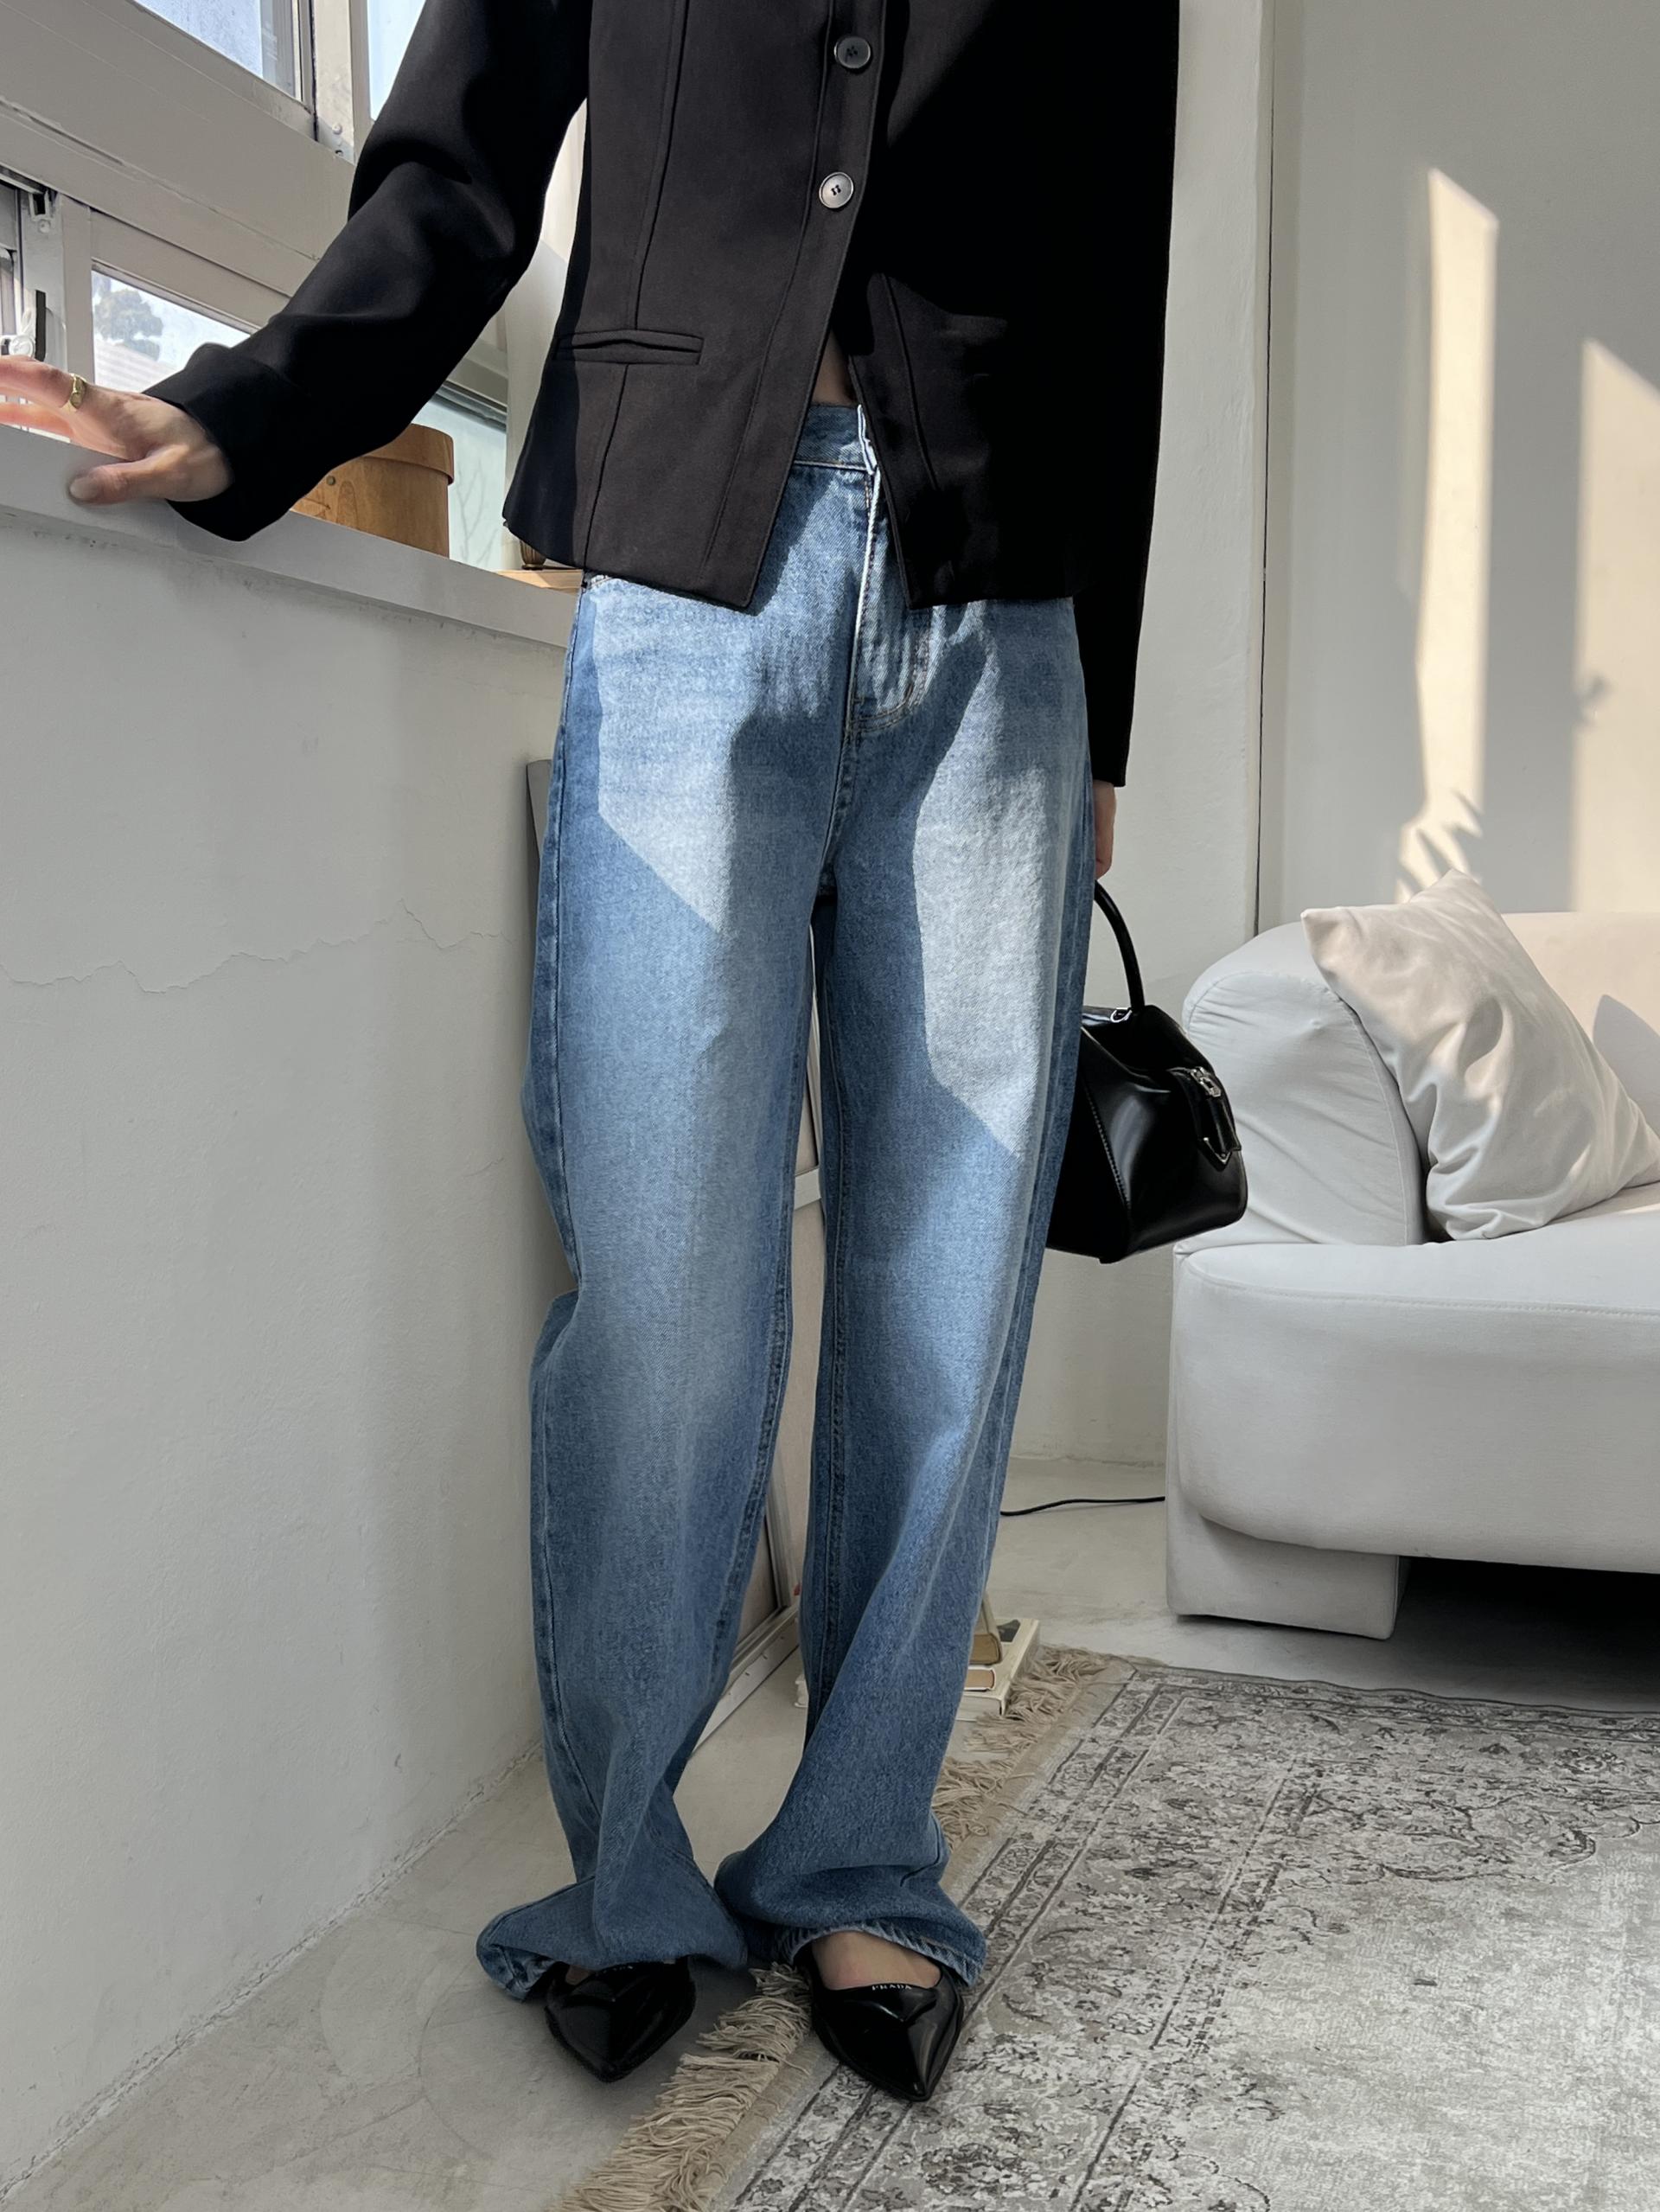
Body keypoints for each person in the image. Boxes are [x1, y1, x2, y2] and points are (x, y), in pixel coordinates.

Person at [0, 0, 1178, 2105]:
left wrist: (1108, 680)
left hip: (1003, 602)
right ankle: (624, 1881)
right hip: (682, 559)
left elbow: (1122, 257)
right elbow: (456, 166)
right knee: (666, 1285)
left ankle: (862, 1861)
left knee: (947, 1292)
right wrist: (248, 410)